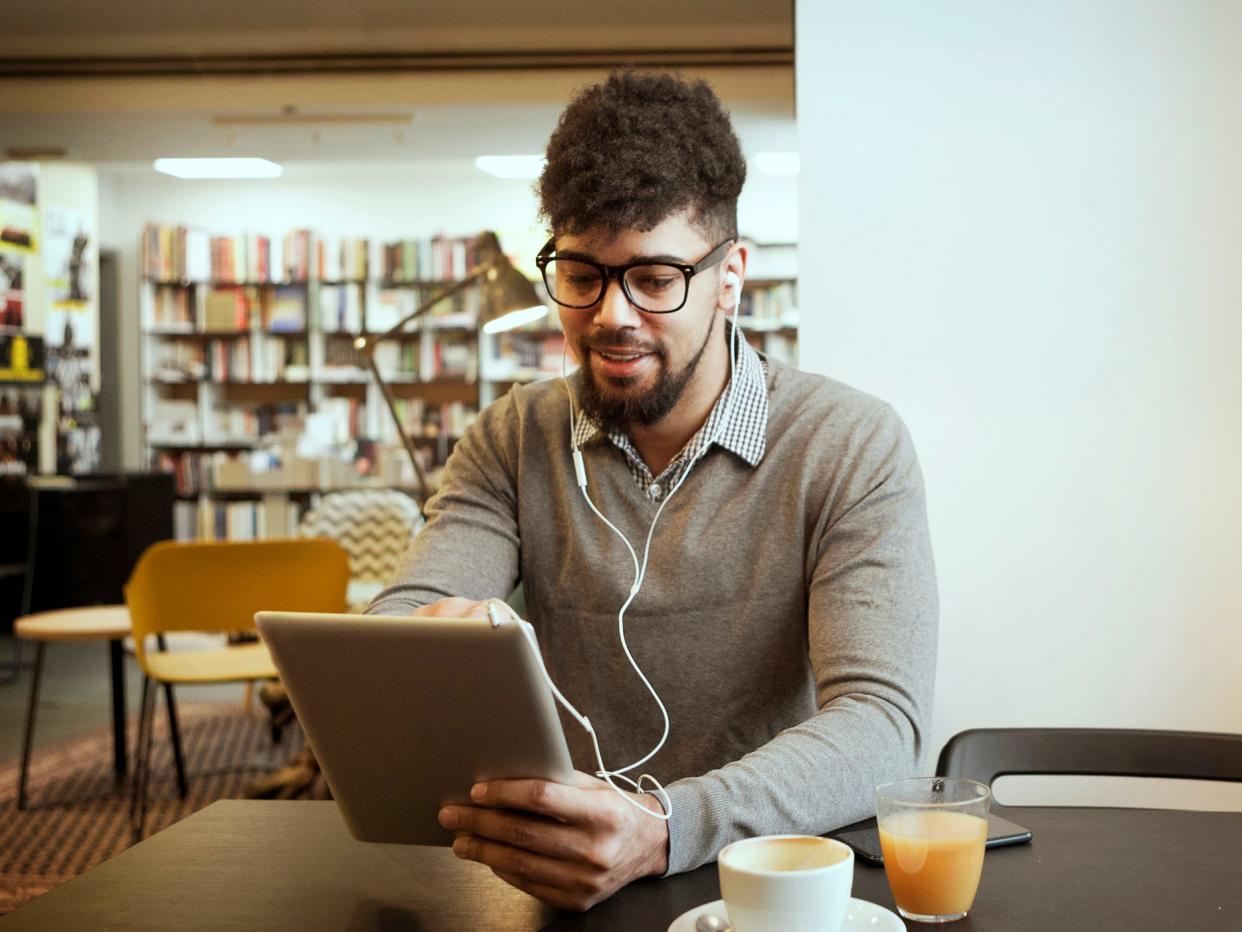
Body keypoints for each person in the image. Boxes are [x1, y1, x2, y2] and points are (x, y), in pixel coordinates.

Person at [368, 70, 937, 911]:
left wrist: (662, 825)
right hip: (562, 887)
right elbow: (388, 637)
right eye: (583, 273)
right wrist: (424, 647)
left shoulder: (849, 444)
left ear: (730, 275)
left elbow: (884, 727)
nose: (612, 316)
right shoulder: (511, 437)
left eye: (656, 278)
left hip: (770, 891)